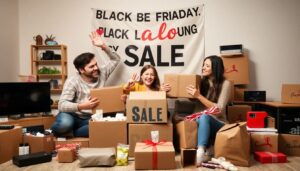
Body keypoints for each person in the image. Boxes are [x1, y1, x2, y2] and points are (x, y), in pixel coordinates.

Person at [51, 31, 121, 137]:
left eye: (96, 64)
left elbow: (116, 59)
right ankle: (58, 130)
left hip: (90, 118)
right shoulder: (73, 81)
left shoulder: (101, 73)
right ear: (82, 70)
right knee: (65, 124)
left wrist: (103, 46)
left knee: (104, 126)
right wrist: (83, 106)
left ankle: (72, 133)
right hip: (72, 115)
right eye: (91, 67)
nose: (96, 68)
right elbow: (61, 105)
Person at [185, 55, 231, 166]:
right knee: (194, 118)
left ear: (215, 68)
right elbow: (194, 101)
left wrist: (199, 96)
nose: (203, 68)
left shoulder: (226, 84)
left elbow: (218, 110)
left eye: (207, 65)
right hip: (199, 119)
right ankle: (208, 147)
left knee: (205, 116)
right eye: (203, 65)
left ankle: (200, 152)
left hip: (218, 123)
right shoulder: (201, 82)